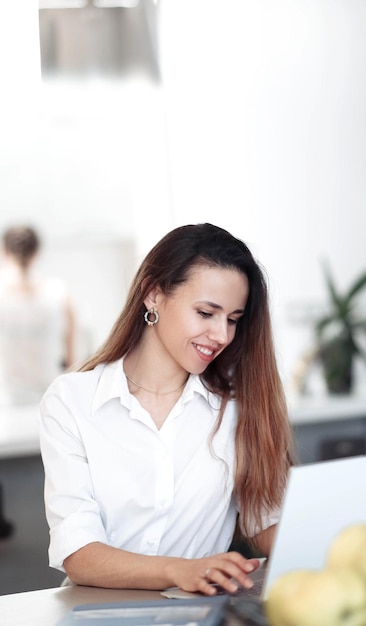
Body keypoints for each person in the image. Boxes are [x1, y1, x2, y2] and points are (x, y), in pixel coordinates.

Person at [39, 223, 296, 595]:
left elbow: (267, 524)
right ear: (153, 294)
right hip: (98, 612)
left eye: (233, 320)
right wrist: (180, 570)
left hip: (198, 612)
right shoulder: (71, 401)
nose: (222, 335)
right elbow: (79, 553)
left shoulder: (237, 406)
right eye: (207, 313)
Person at [0, 225, 76, 405]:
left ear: (4, 251)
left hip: (8, 402)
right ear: (37, 252)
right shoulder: (60, 293)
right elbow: (73, 362)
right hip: (52, 397)